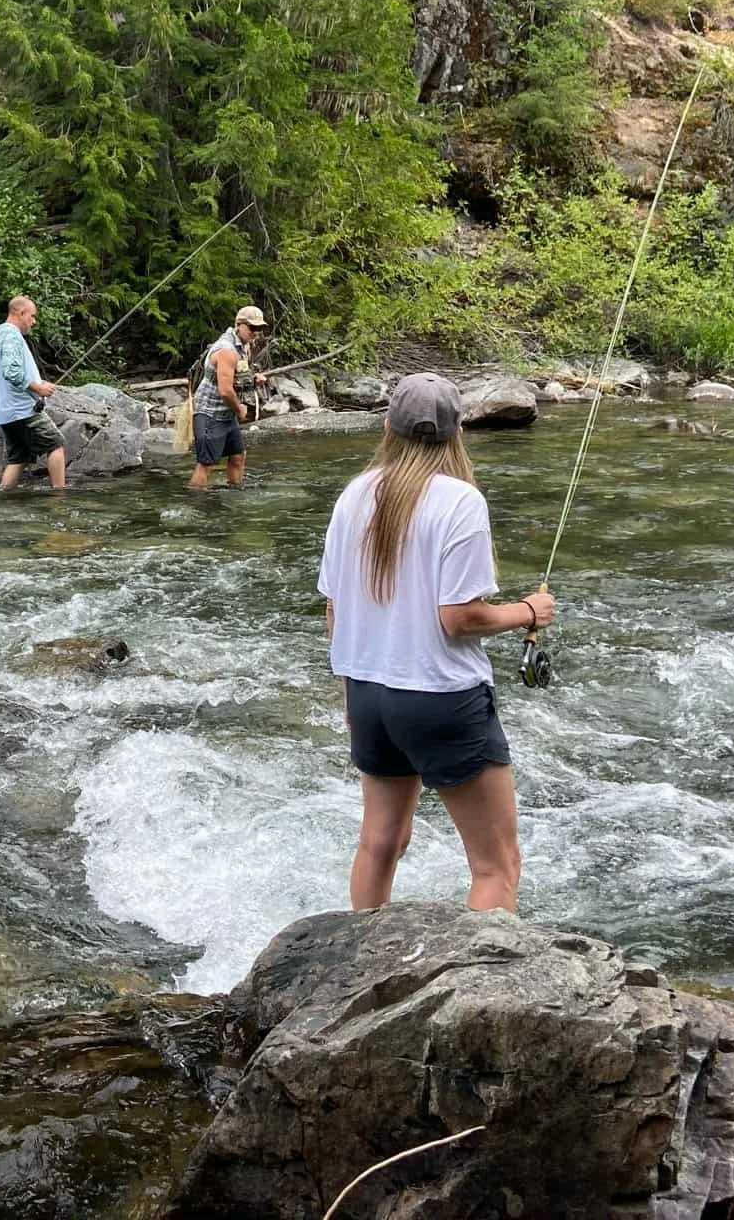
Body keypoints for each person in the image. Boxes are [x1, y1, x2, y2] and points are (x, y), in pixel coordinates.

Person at [316, 372, 556, 913]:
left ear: (386, 426)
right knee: (497, 866)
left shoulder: (354, 493)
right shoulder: (460, 501)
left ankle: (360, 972)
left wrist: (351, 693)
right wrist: (528, 612)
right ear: (459, 433)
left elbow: (335, 608)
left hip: (369, 692)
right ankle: (484, 991)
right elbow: (459, 618)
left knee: (381, 844)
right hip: (440, 697)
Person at [0, 295, 67, 490]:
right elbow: (12, 372)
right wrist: (39, 388)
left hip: (6, 411)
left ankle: (3, 497)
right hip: (22, 409)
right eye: (32, 316)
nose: (34, 321)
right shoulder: (11, 335)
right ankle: (60, 497)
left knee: (19, 457)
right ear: (21, 313)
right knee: (55, 444)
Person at [187, 305, 269, 489]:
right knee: (207, 464)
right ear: (238, 325)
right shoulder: (226, 350)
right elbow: (225, 390)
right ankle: (195, 502)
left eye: (259, 329)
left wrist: (254, 380)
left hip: (226, 413)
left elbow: (238, 377)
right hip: (210, 412)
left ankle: (234, 492)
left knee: (238, 455)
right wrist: (239, 409)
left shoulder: (244, 346)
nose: (256, 333)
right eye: (252, 328)